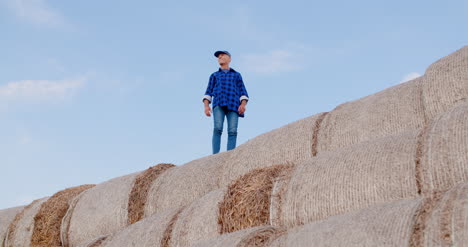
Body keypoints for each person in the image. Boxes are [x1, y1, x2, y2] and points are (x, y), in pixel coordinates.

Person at [203, 50, 249, 154]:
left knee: (232, 131)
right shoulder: (214, 75)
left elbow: (243, 92)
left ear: (229, 59)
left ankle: (229, 155)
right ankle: (215, 155)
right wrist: (206, 106)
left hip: (233, 104)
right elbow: (208, 92)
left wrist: (243, 104)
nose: (219, 57)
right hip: (218, 103)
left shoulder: (236, 75)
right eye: (218, 56)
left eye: (222, 55)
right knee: (217, 128)